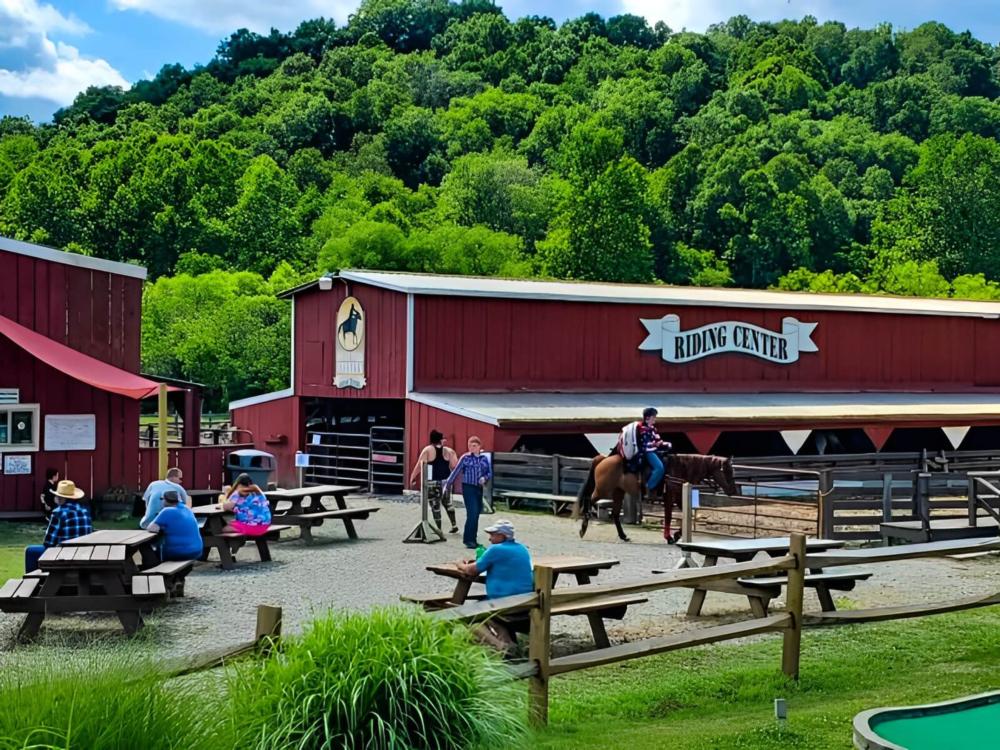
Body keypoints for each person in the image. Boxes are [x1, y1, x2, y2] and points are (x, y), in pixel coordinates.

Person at [24, 479, 94, 573]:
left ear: (61, 498)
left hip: (63, 555)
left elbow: (48, 542)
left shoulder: (58, 513)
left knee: (30, 551)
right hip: (83, 554)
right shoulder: (85, 511)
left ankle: (32, 581)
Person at [457, 519, 533, 600]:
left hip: (504, 599)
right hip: (525, 598)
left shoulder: (496, 549)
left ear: (502, 536)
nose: (489, 539)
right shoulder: (522, 548)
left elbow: (472, 570)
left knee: (471, 608)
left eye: (492, 535)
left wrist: (460, 564)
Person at [443, 436, 492, 549]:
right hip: (468, 487)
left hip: (478, 487)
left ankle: (472, 539)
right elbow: (456, 471)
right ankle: (468, 540)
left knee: (476, 513)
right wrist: (448, 484)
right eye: (470, 445)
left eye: (474, 446)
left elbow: (488, 472)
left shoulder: (484, 458)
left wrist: (485, 478)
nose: (472, 448)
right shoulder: (465, 458)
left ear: (479, 446)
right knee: (472, 513)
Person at [408, 429, 459, 533]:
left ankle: (439, 529)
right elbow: (454, 466)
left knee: (435, 505)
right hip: (446, 481)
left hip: (432, 481)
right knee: (448, 503)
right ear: (440, 440)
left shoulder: (427, 450)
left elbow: (419, 465)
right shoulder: (449, 451)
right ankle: (454, 525)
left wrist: (412, 477)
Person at [147, 490, 203, 561]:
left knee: (147, 547)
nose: (161, 501)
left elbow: (151, 528)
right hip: (197, 551)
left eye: (162, 499)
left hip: (179, 553)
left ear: (166, 500)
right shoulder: (187, 509)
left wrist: (162, 528)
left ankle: (150, 567)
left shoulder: (167, 511)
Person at [639, 407, 667, 500]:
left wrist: (665, 444)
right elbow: (645, 443)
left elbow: (658, 439)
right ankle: (649, 487)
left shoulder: (653, 429)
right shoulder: (644, 429)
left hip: (654, 450)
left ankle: (660, 490)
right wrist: (656, 444)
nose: (655, 418)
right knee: (659, 468)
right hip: (647, 452)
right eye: (653, 417)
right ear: (647, 418)